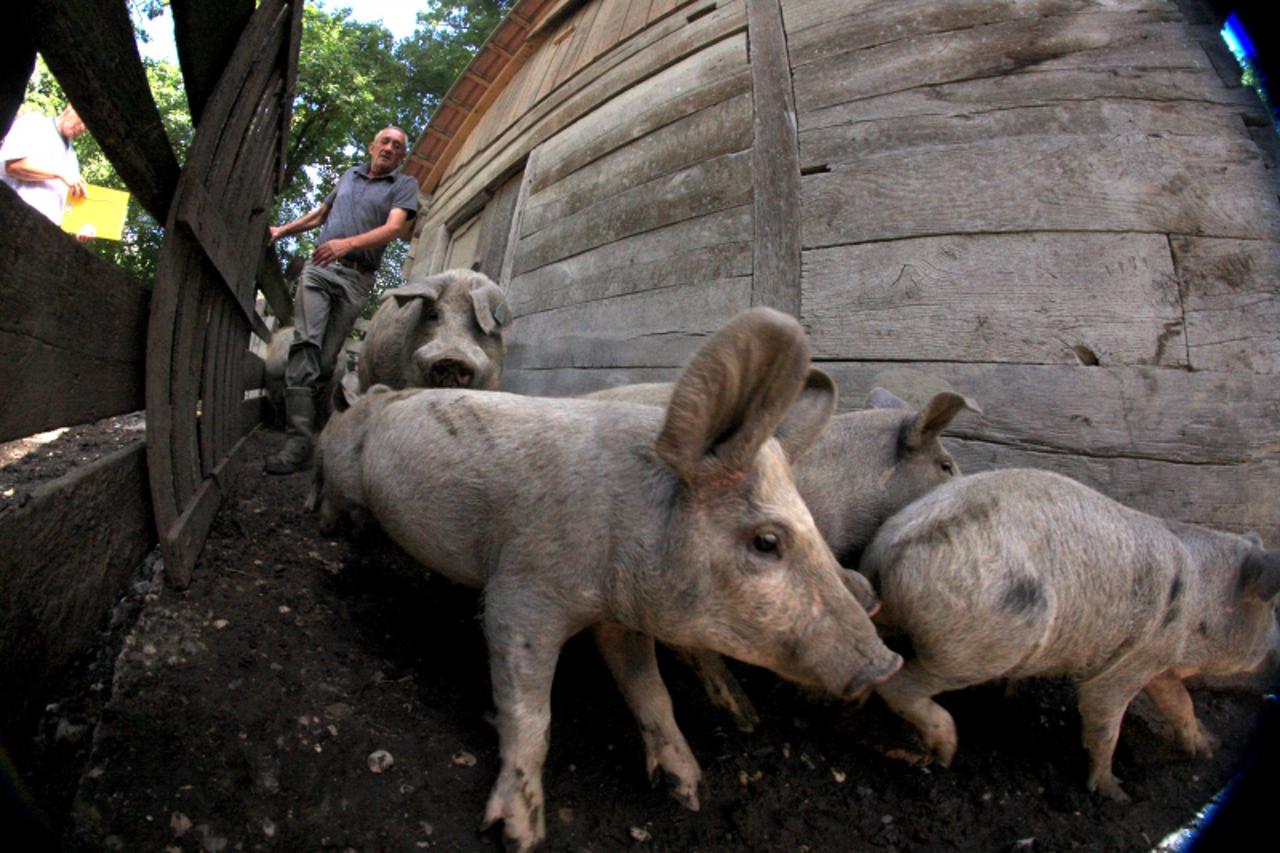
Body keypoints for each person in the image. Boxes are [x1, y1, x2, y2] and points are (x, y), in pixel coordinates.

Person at [262, 125, 419, 474]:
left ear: (401, 156)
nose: (390, 148)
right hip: (320, 268)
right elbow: (321, 215)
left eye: (397, 145)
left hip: (356, 279)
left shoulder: (404, 186)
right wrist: (282, 230)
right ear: (372, 146)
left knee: (327, 358)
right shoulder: (350, 176)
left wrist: (347, 245)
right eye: (385, 141)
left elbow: (394, 228)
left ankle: (318, 430)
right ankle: (299, 441)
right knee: (306, 344)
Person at [1, 104, 91, 238]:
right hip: (10, 223)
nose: (82, 128)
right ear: (70, 106)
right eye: (82, 120)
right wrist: (60, 173)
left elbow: (67, 211)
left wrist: (80, 229)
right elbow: (13, 166)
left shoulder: (73, 159)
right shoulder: (34, 123)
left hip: (42, 240)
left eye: (87, 127)